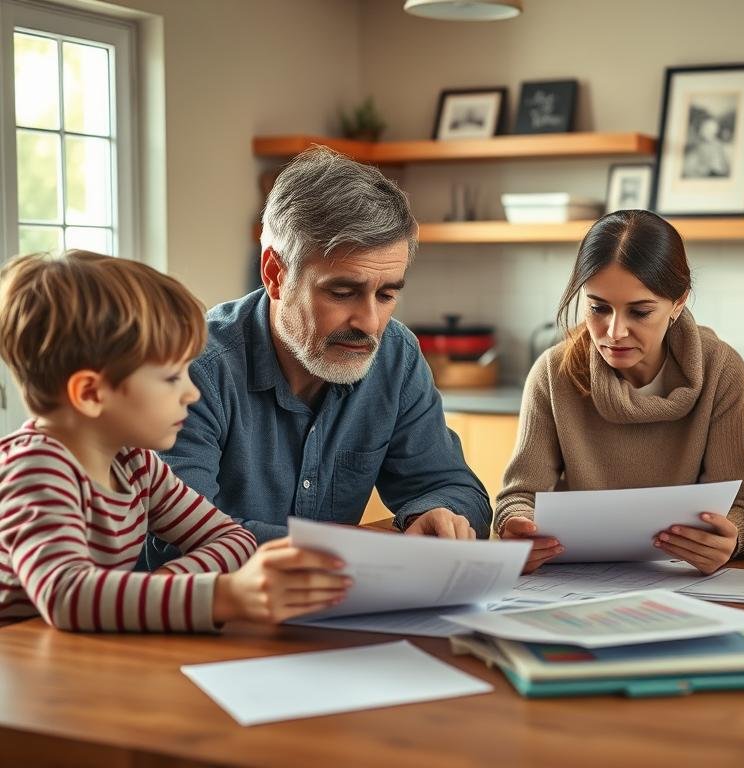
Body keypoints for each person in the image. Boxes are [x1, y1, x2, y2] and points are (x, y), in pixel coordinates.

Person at [143, 147, 490, 569]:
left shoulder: (395, 356)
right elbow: (178, 536)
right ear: (274, 273)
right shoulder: (192, 368)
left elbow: (456, 489)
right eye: (342, 292)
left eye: (387, 294)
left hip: (330, 616)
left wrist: (435, 514)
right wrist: (359, 546)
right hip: (195, 623)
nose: (369, 322)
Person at [0, 252, 350, 631]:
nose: (191, 393)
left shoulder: (136, 465)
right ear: (89, 392)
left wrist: (159, 590)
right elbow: (67, 595)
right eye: (171, 378)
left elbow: (230, 537)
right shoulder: (36, 470)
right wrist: (223, 595)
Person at [496, 209, 744, 574]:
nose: (614, 332)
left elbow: (741, 508)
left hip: (683, 581)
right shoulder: (552, 374)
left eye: (640, 312)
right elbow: (517, 498)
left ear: (679, 301)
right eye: (598, 308)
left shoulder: (722, 371)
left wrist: (731, 540)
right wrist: (517, 528)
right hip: (574, 583)